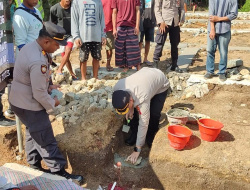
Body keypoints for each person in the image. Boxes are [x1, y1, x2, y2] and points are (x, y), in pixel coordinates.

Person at [9, 22, 84, 184]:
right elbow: (39, 94)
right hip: (28, 104)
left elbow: (32, 79)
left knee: (32, 130)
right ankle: (59, 172)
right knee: (45, 137)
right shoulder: (38, 60)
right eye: (57, 44)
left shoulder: (33, 48)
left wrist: (49, 85)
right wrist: (53, 103)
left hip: (18, 100)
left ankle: (34, 164)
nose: (59, 48)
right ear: (46, 41)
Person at [112, 67, 170, 164]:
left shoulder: (142, 96)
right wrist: (129, 110)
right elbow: (125, 103)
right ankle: (134, 133)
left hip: (160, 83)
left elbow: (144, 122)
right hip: (144, 77)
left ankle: (151, 135)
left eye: (128, 106)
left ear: (131, 100)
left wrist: (137, 149)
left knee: (153, 114)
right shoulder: (117, 89)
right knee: (133, 113)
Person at [71, 0, 106, 80]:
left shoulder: (98, 2)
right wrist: (76, 36)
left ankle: (95, 77)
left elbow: (102, 19)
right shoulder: (77, 2)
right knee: (83, 59)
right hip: (83, 37)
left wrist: (103, 34)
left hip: (96, 35)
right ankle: (83, 79)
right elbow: (74, 20)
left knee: (96, 58)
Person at [204, 0, 238, 82]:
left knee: (223, 52)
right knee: (210, 50)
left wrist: (219, 19)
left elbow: (234, 14)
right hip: (212, 29)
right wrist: (212, 30)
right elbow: (211, 15)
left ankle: (222, 72)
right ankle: (210, 71)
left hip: (225, 29)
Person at [153, 0, 185, 72]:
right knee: (160, 43)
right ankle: (155, 63)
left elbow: (182, 8)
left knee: (175, 44)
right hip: (164, 22)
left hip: (175, 22)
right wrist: (160, 22)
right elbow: (157, 7)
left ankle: (174, 65)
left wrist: (182, 19)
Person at [50, 0, 78, 80]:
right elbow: (52, 24)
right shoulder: (54, 9)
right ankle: (72, 74)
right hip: (60, 36)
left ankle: (60, 69)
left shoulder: (74, 7)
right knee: (65, 56)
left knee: (68, 50)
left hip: (71, 34)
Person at [111, 0, 141, 73]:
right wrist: (114, 28)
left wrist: (137, 26)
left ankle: (137, 65)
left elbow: (137, 11)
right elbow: (114, 13)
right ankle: (126, 66)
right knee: (121, 48)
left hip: (132, 25)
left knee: (134, 47)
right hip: (120, 25)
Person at [139, 0, 156, 66]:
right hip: (142, 22)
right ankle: (139, 59)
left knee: (148, 41)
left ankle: (145, 58)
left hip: (151, 22)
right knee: (140, 41)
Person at [101, 0, 114, 72]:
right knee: (97, 47)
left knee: (109, 47)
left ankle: (108, 63)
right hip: (99, 27)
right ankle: (97, 63)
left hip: (110, 27)